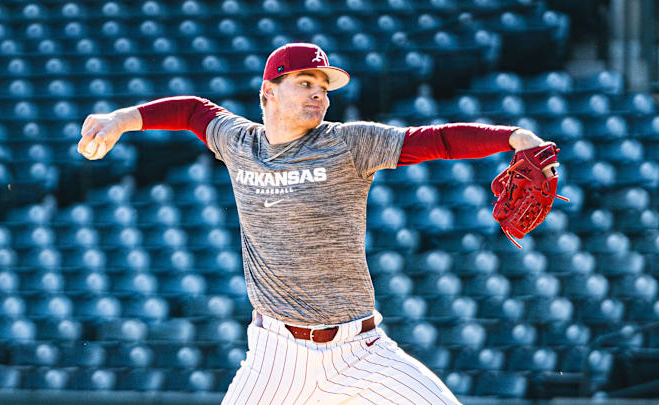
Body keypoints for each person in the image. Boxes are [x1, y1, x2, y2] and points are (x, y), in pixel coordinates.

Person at [78, 43, 553, 404]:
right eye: (306, 83)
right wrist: (120, 119)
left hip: (360, 350)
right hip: (274, 354)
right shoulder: (238, 141)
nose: (319, 94)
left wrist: (512, 137)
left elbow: (438, 140)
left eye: (323, 88)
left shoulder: (349, 143)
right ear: (269, 91)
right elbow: (189, 111)